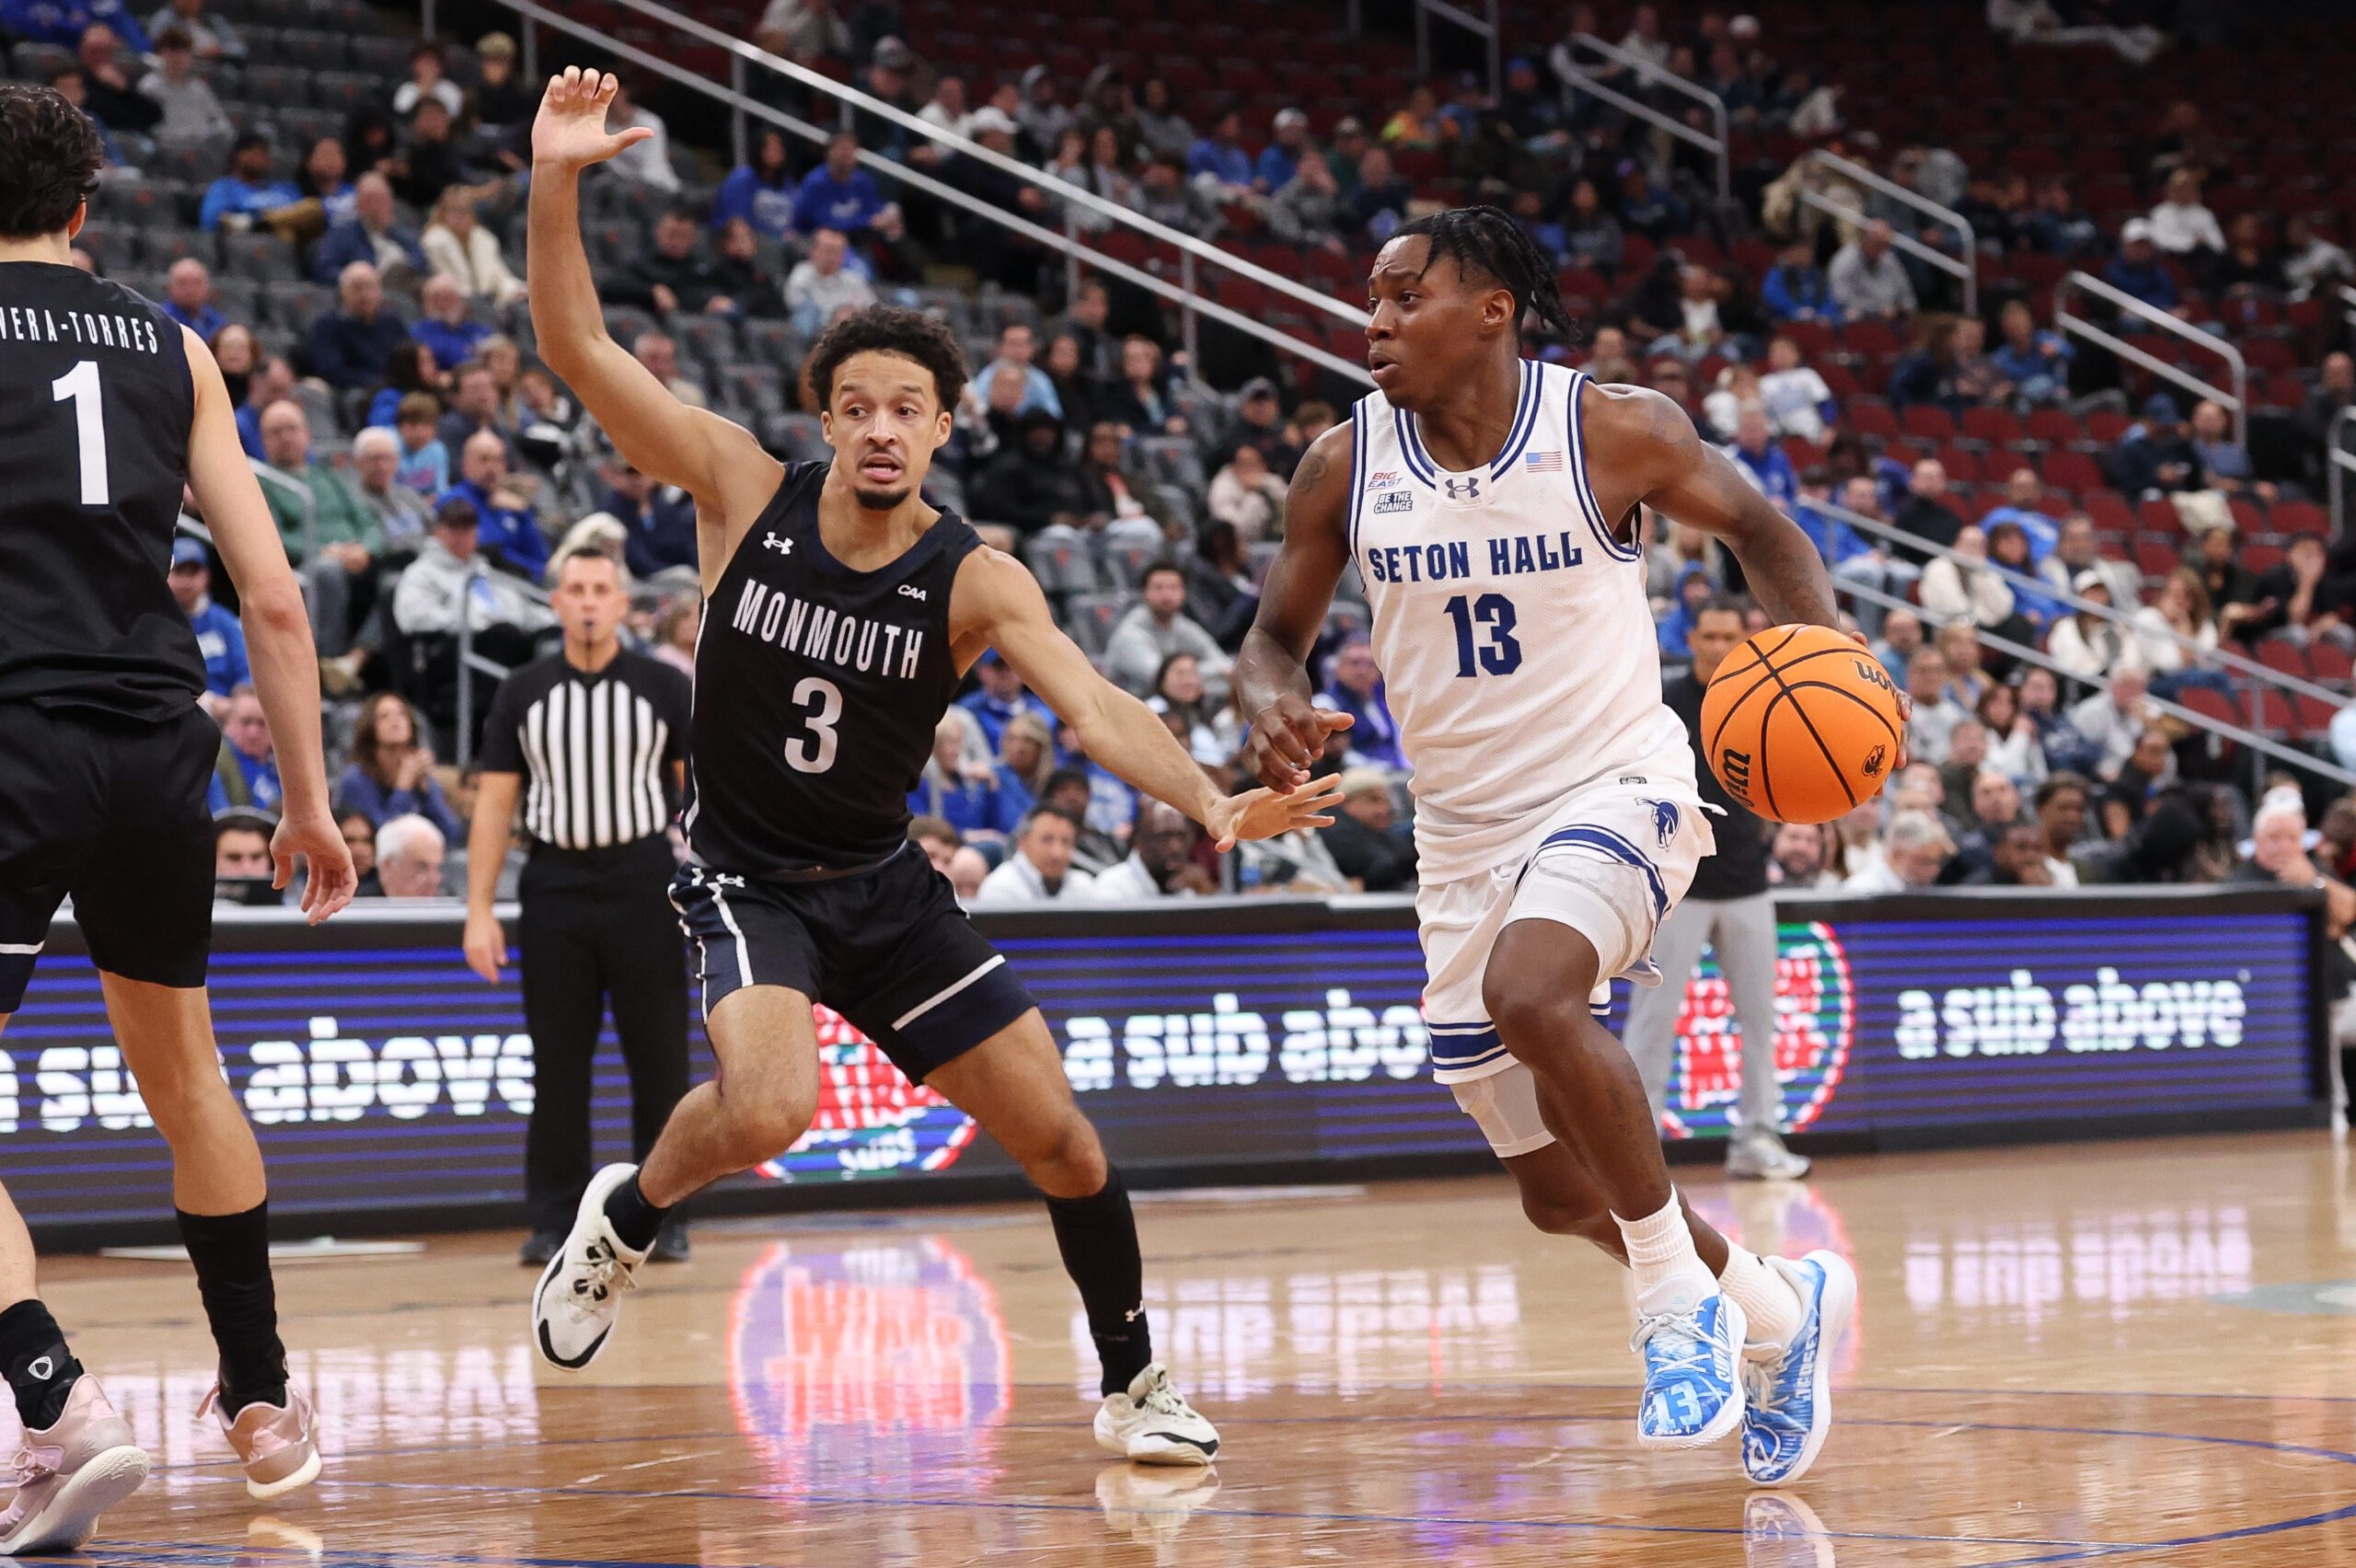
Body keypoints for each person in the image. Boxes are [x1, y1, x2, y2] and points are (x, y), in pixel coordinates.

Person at [520, 69, 1338, 1466]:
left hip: (886, 891)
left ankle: (1135, 1387)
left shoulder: (979, 578)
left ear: (947, 426)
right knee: (774, 1107)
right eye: (857, 405)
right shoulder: (740, 488)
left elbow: (1090, 704)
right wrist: (555, 178)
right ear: (824, 420)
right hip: (744, 875)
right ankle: (627, 1221)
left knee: (1066, 1140)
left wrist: (1209, 798)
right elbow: (579, 347)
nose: (883, 426)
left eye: (910, 406)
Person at [1234, 206, 1867, 1484]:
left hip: (1617, 785)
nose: (1375, 319)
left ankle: (1671, 1318)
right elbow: (1272, 639)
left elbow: (1765, 532)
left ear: (1492, 311)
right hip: (1461, 836)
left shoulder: (1613, 429)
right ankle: (1780, 1309)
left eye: (1405, 295)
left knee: (1537, 994)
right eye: (1369, 296)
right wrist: (1267, 707)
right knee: (1557, 1193)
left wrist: (1821, 659)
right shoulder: (1341, 467)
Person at [0, 85, 354, 1551]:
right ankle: (263, 1402)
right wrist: (311, 804)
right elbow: (274, 594)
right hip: (160, 744)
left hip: (10, 732)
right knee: (186, 1072)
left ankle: (52, 1406)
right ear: (87, 209)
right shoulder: (175, 343)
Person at [464, 549, 697, 1265]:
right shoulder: (523, 691)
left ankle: (663, 1214)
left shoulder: (664, 685)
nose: (590, 602)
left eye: (602, 590)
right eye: (576, 590)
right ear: (556, 603)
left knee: (659, 1060)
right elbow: (496, 803)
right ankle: (555, 1217)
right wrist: (479, 910)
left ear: (624, 604)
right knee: (558, 1064)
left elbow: (700, 795)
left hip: (645, 881)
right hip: (555, 885)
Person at [1625, 595, 1810, 1182]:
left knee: (1760, 1019)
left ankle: (1757, 1138)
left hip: (1749, 882)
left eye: (1729, 635)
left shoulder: (1762, 700)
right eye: (1707, 635)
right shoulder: (1662, 706)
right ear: (1693, 639)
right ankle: (1636, 1150)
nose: (1718, 646)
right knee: (1654, 1020)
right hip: (1676, 888)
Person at [334, 691, 461, 842]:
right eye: (384, 716)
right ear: (370, 728)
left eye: (402, 714)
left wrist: (426, 790)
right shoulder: (355, 779)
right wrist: (403, 787)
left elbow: (451, 833)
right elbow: (382, 839)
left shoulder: (417, 772)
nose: (395, 721)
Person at [1105, 561, 1231, 701]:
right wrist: (1210, 672)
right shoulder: (1129, 634)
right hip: (1127, 712)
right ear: (1144, 593)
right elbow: (1166, 678)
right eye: (1158, 588)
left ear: (1184, 593)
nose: (1166, 595)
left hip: (1166, 710)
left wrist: (1196, 673)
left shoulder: (1181, 625)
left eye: (1173, 588)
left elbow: (1224, 664)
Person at [167, 536, 247, 712]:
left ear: (206, 577)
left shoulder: (224, 621)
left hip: (226, 717)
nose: (186, 582)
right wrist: (207, 702)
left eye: (193, 573)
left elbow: (246, 673)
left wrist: (239, 704)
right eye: (180, 572)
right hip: (174, 711)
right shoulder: (154, 621)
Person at [976, 804, 1101, 905]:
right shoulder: (1000, 889)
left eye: (1066, 842)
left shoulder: (1083, 885)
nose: (1057, 853)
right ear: (1022, 842)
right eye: (1047, 840)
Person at [1091, 798, 1212, 899]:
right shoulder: (1113, 887)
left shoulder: (1192, 887)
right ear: (1139, 839)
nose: (1176, 847)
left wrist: (1206, 897)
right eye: (1164, 836)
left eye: (1181, 836)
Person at [1320, 767, 1416, 892]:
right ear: (1345, 801)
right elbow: (1381, 868)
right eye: (1374, 800)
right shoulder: (1332, 827)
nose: (1384, 809)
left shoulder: (1376, 830)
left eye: (1387, 802)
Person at [374, 812, 445, 896]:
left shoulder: (453, 905)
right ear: (387, 867)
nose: (434, 880)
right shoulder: (360, 905)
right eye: (422, 867)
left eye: (437, 868)